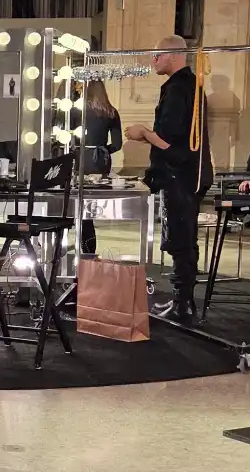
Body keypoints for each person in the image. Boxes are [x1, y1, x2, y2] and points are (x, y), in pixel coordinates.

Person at [125, 35, 214, 323]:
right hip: (188, 175)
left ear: (173, 56)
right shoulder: (190, 86)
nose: (153, 61)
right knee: (184, 237)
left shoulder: (178, 89)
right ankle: (182, 300)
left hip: (180, 176)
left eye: (157, 55)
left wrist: (143, 133)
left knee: (180, 238)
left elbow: (168, 141)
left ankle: (182, 303)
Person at [77, 80, 123, 254]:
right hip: (101, 161)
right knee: (89, 209)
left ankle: (82, 247)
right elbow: (117, 145)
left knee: (77, 204)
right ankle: (89, 250)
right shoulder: (111, 112)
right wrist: (103, 150)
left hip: (80, 157)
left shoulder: (77, 111)